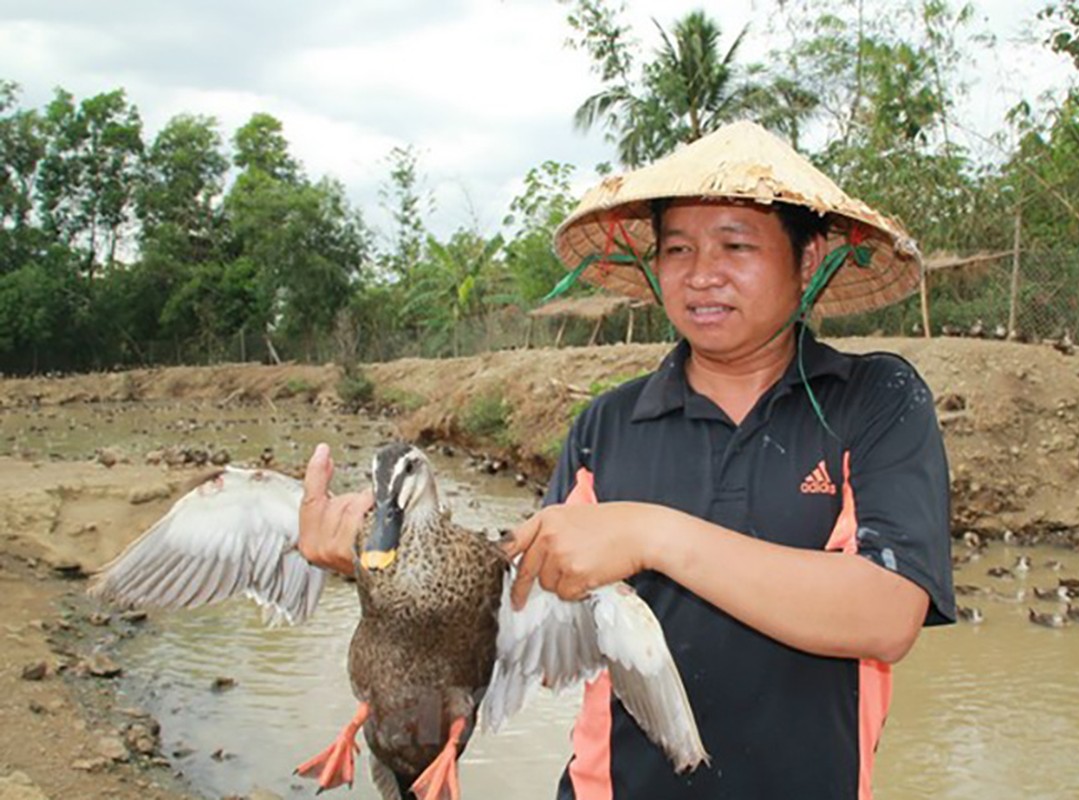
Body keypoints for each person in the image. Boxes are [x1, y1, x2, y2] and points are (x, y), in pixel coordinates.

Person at [299, 121, 954, 800]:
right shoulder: (606, 427)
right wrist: (383, 571)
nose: (702, 274)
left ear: (809, 257)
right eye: (677, 249)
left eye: (736, 244)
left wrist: (651, 535)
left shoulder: (875, 400)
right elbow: (512, 611)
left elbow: (887, 614)